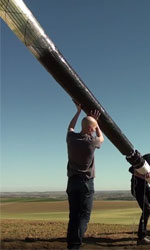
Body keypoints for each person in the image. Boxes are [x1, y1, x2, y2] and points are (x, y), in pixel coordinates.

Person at [66, 102, 104, 249]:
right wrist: (97, 123)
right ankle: (75, 246)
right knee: (84, 216)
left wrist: (78, 112)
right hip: (86, 183)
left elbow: (70, 127)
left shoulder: (71, 139)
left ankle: (71, 245)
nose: (94, 131)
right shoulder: (91, 142)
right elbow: (102, 138)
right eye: (93, 128)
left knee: (73, 216)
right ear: (90, 129)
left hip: (72, 182)